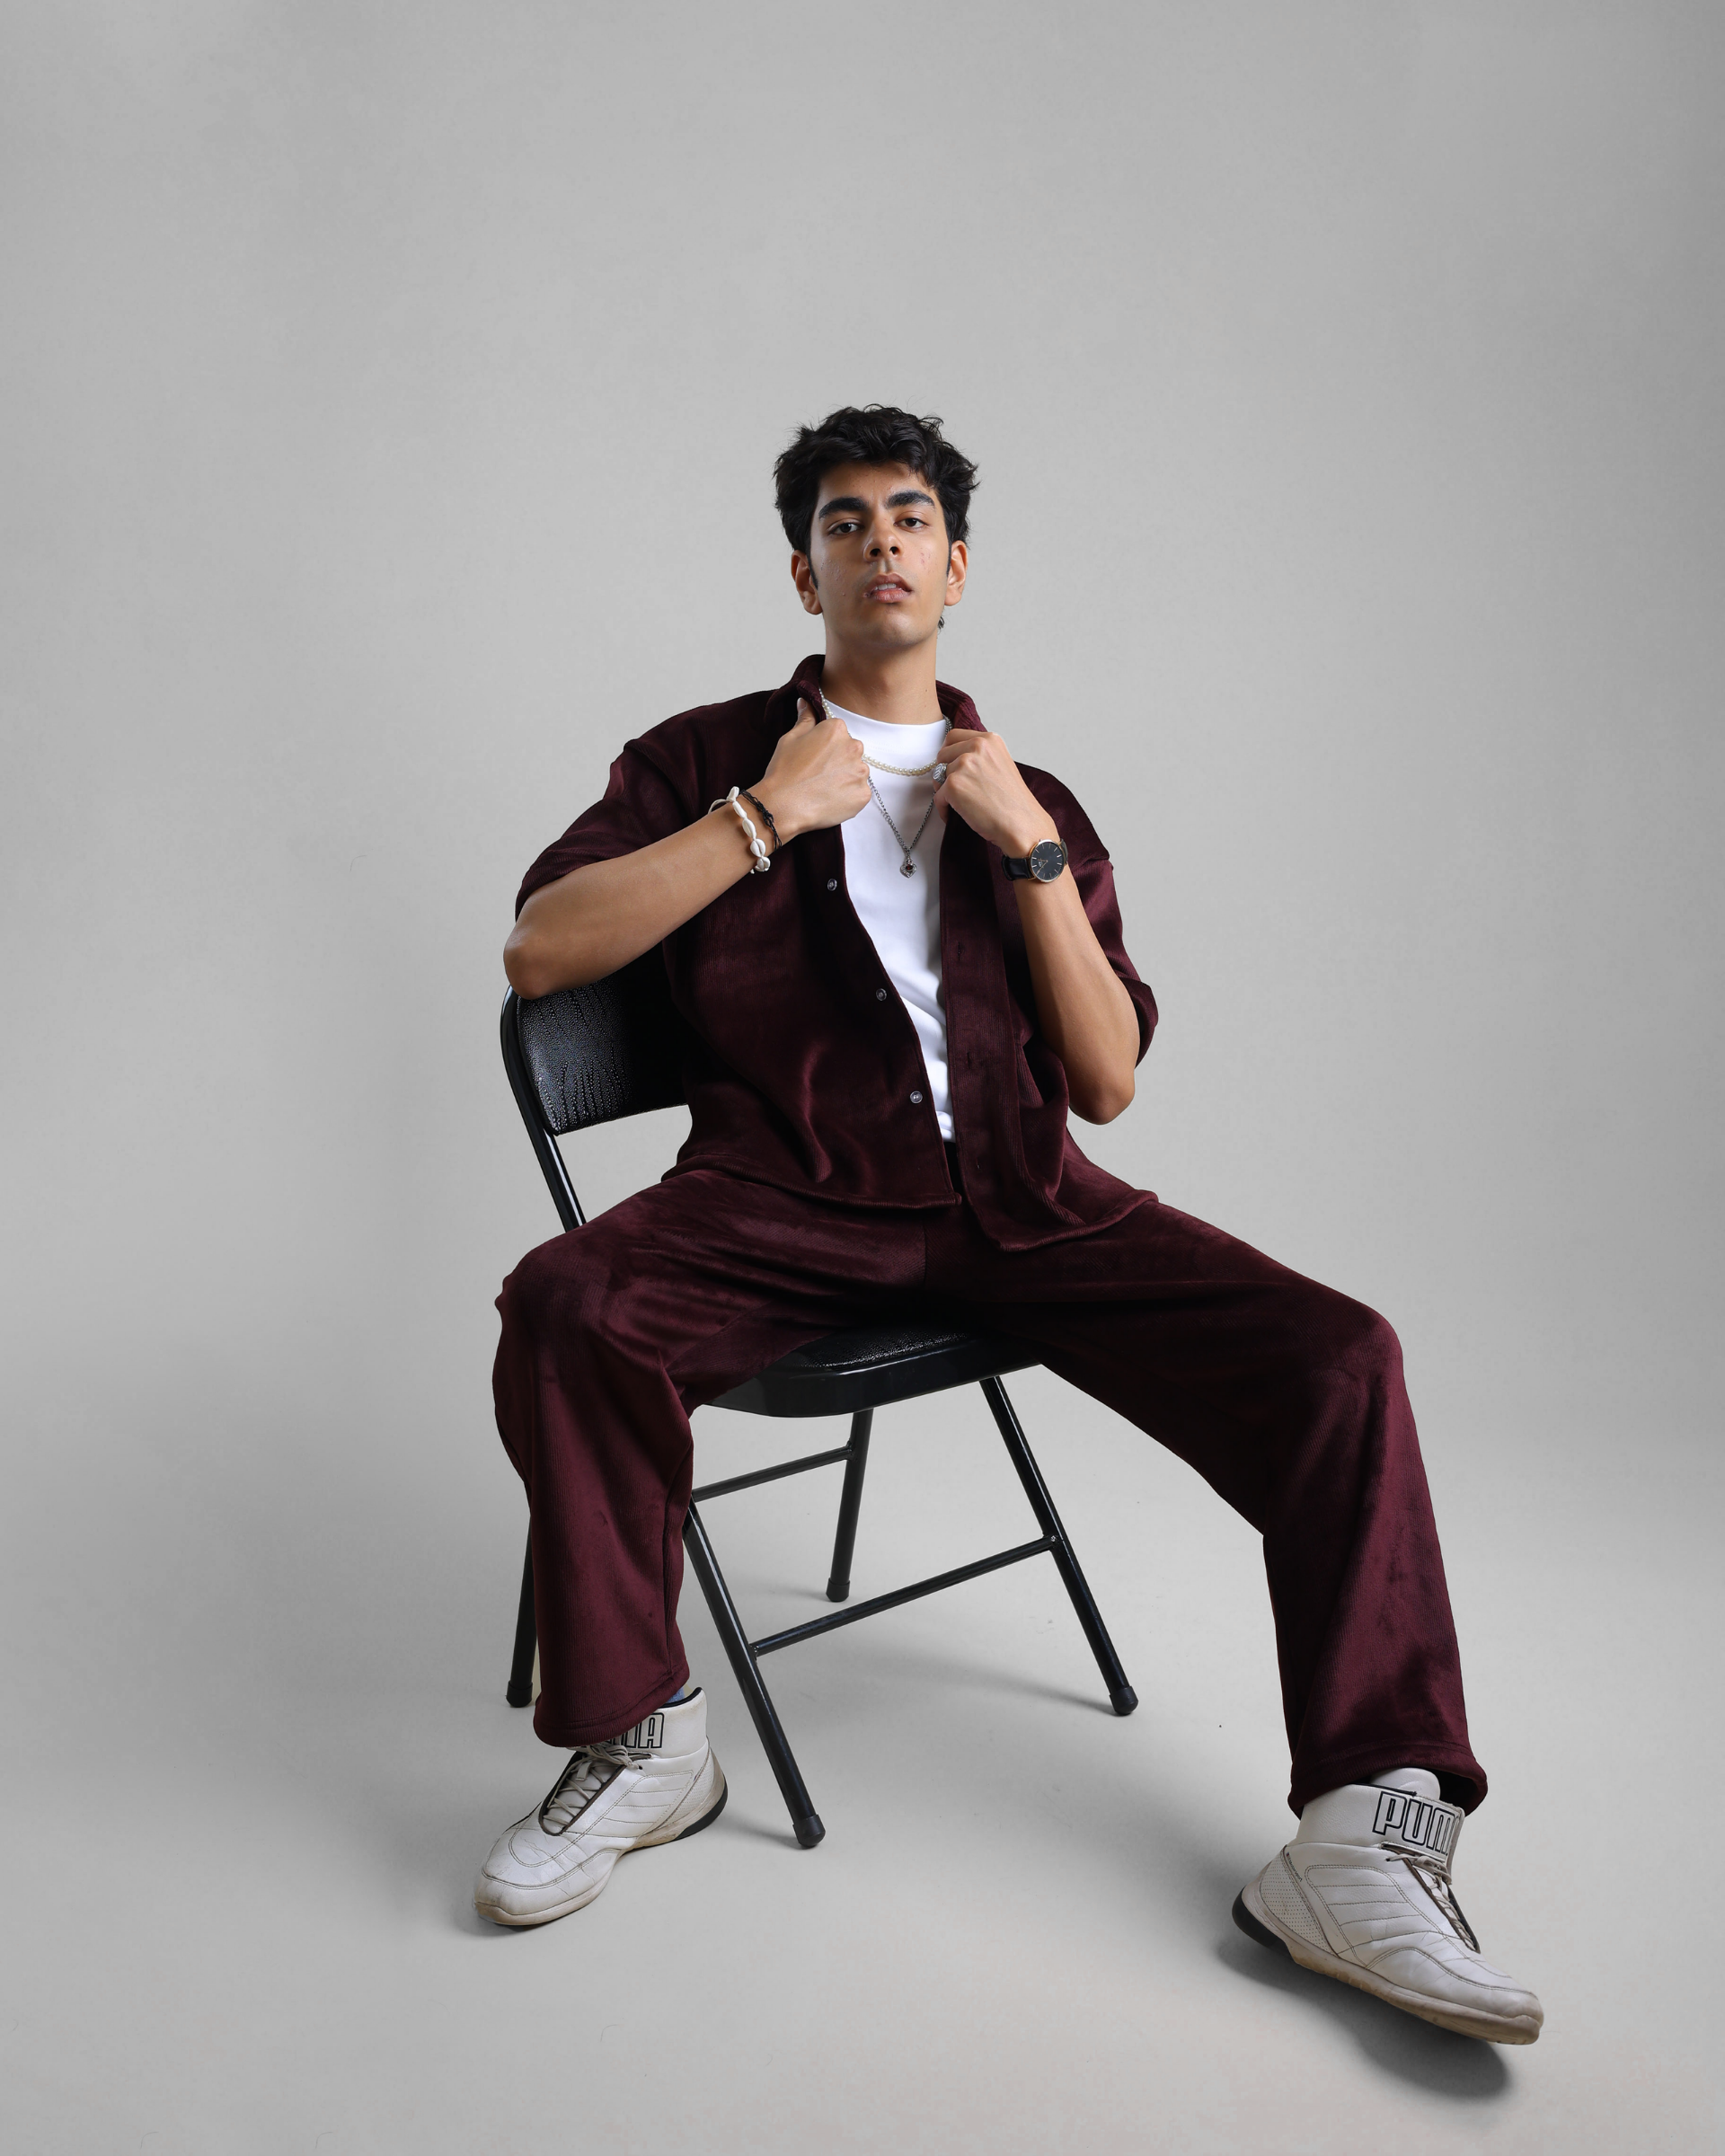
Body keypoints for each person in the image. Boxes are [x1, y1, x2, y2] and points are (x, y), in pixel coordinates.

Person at [478, 404, 1543, 2046]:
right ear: (802, 570)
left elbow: (1107, 1081)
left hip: (1033, 1210)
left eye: (911, 518)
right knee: (567, 1301)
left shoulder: (1026, 793)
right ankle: (644, 1738)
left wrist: (1028, 854)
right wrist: (766, 818)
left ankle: (1361, 1832)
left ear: (956, 568)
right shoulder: (701, 760)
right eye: (845, 522)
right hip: (777, 1208)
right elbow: (543, 952)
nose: (881, 543)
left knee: (1341, 1359)